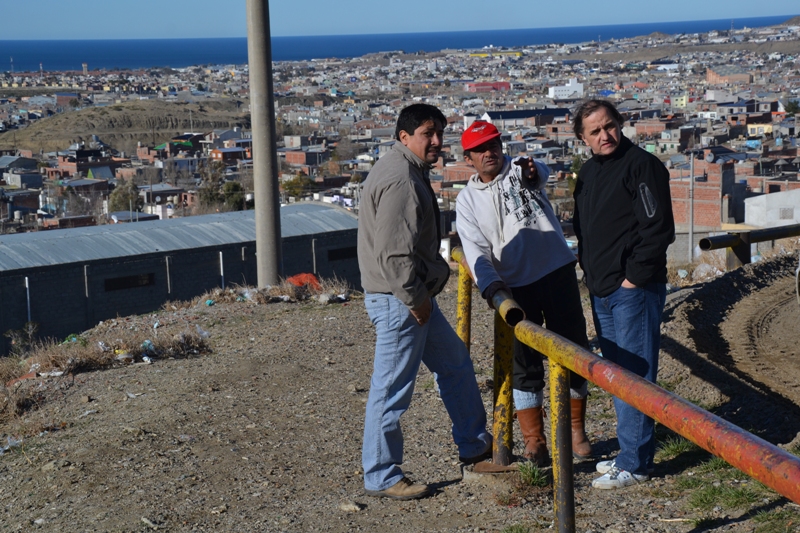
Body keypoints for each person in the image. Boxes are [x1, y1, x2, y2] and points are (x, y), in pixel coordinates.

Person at [357, 104, 492, 501]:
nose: (436, 141)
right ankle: (381, 474)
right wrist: (416, 301)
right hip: (403, 299)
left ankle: (474, 442)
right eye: (427, 133)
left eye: (439, 133)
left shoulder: (401, 169)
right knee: (392, 389)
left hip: (410, 297)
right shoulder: (401, 179)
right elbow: (394, 255)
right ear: (404, 137)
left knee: (454, 364)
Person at [455, 121, 593, 467]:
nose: (490, 153)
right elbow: (475, 251)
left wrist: (532, 171)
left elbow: (539, 174)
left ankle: (575, 430)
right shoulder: (467, 201)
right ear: (468, 157)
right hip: (516, 287)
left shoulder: (519, 170)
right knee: (525, 364)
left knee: (573, 349)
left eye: (494, 144)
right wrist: (493, 289)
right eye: (481, 149)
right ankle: (535, 440)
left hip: (556, 271)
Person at [571, 100, 675, 490]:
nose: (605, 136)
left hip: (632, 289)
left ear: (620, 124)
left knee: (635, 374)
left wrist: (633, 279)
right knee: (617, 375)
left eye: (609, 126)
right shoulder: (590, 172)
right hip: (602, 289)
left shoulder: (641, 166)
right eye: (595, 131)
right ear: (582, 138)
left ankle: (635, 462)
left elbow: (658, 229)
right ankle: (629, 452)